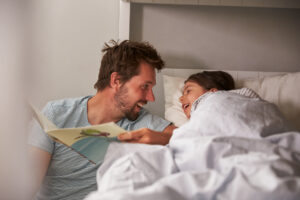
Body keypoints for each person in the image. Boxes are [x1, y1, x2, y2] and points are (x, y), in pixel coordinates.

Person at [28, 40, 176, 200]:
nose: (151, 97)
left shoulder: (142, 124)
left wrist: (162, 137)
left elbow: (193, 139)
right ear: (116, 81)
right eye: (145, 86)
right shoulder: (56, 114)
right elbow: (27, 186)